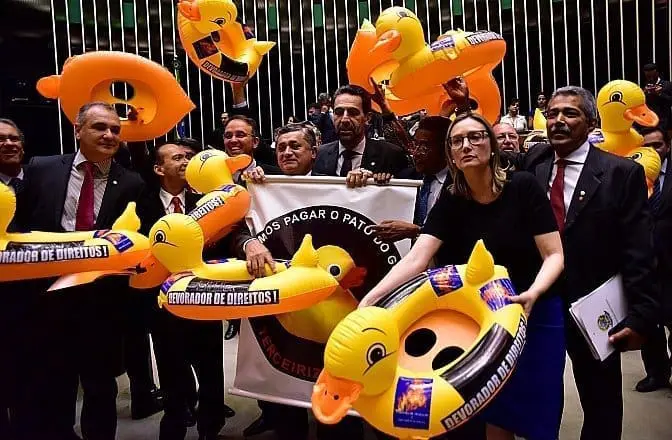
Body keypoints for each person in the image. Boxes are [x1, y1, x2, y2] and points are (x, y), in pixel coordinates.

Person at [360, 112, 565, 440]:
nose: (467, 145)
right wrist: (370, 300)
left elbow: (554, 255)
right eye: (457, 141)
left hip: (535, 310)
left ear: (492, 145)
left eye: (475, 137)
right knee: (493, 407)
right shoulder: (452, 198)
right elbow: (417, 257)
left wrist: (535, 292)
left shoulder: (523, 186)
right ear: (451, 154)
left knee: (538, 407)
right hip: (483, 317)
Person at [513, 86, 659, 440]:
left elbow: (638, 249)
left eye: (570, 114)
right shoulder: (532, 163)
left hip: (595, 307)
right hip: (538, 302)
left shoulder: (621, 173)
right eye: (552, 114)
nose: (558, 121)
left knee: (601, 401)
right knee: (536, 396)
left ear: (592, 122)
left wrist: (642, 317)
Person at [14, 102, 145, 440]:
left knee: (101, 390)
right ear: (77, 130)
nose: (109, 135)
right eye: (100, 127)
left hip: (102, 306)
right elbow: (18, 228)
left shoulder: (130, 183)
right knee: (52, 387)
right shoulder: (42, 169)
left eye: (115, 130)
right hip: (46, 301)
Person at [242, 122, 365, 440]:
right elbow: (234, 226)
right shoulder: (259, 185)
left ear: (315, 152)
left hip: (333, 321)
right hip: (284, 320)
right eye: (281, 146)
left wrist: (368, 184)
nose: (286, 152)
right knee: (287, 409)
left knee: (337, 416)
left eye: (295, 146)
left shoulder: (344, 187)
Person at [135, 139, 236, 440]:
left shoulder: (209, 201)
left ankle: (211, 425)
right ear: (158, 168)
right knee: (171, 369)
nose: (186, 161)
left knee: (210, 368)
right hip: (161, 304)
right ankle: (175, 422)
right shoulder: (140, 202)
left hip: (204, 299)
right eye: (177, 157)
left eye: (189, 157)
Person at [222, 114, 280, 340]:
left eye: (240, 135)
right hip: (232, 252)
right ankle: (234, 321)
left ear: (255, 142)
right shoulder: (214, 177)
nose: (234, 140)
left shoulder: (275, 173)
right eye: (228, 136)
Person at [371, 116, 452, 243]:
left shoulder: (460, 185)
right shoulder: (406, 178)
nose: (416, 152)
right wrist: (378, 182)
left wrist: (417, 232)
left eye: (425, 146)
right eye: (415, 144)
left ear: (445, 149)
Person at [635, 125, 672, 392]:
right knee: (649, 322)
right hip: (644, 263)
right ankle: (656, 373)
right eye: (645, 146)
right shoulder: (631, 174)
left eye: (657, 146)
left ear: (667, 147)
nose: (652, 152)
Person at [313, 85, 410, 181]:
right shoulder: (320, 154)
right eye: (339, 112)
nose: (344, 119)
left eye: (353, 112)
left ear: (367, 118)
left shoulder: (390, 155)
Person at [0, 118, 26, 440]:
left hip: (38, 304)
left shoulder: (42, 177)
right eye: (1, 138)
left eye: (13, 138)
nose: (8, 143)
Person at [642, 63, 672, 132]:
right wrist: (644, 93)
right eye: (648, 76)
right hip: (649, 121)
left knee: (666, 142)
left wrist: (660, 94)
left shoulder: (667, 85)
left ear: (657, 73)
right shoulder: (644, 86)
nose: (650, 77)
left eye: (652, 74)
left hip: (665, 121)